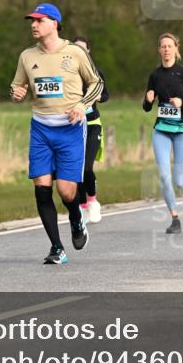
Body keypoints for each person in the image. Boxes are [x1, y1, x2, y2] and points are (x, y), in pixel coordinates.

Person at [10, 3, 104, 264]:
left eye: (39, 20)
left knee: (66, 192)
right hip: (40, 128)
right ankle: (56, 248)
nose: (33, 25)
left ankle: (76, 217)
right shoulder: (27, 56)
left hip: (71, 129)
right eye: (32, 20)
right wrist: (16, 94)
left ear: (55, 23)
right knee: (41, 189)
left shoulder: (74, 52)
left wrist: (82, 106)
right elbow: (17, 86)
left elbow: (97, 83)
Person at [143, 33, 183, 233]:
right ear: (159, 50)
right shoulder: (155, 75)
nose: (166, 50)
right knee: (165, 177)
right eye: (163, 46)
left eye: (170, 46)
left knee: (178, 179)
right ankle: (175, 219)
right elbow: (147, 108)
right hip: (162, 131)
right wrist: (148, 100)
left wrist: (182, 103)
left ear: (176, 49)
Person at [71, 36, 109, 224]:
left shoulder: (96, 73)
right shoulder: (67, 73)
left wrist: (97, 97)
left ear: (88, 51)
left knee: (86, 167)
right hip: (72, 127)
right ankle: (82, 205)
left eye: (83, 49)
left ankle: (92, 201)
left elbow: (106, 95)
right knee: (75, 169)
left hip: (92, 124)